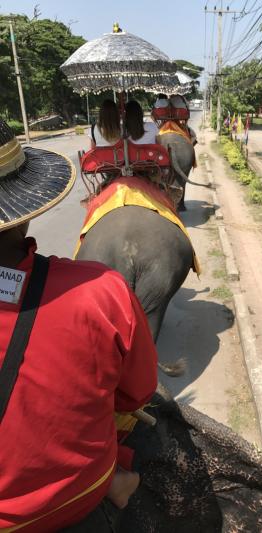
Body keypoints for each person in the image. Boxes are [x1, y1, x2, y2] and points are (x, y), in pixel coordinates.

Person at [0, 118, 158, 531]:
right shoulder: (101, 290)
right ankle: (112, 479)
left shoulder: (97, 132)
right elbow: (136, 393)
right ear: (24, 212)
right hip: (70, 507)